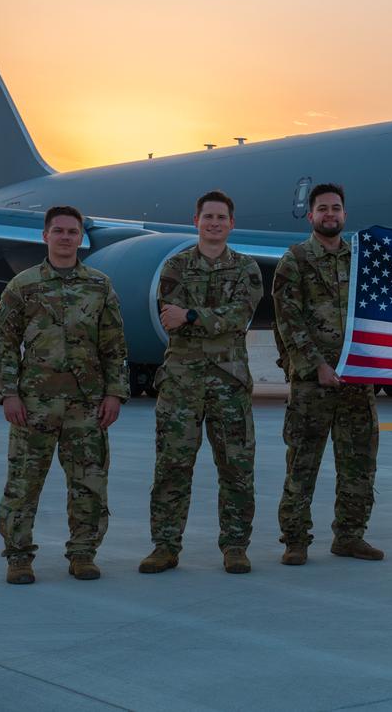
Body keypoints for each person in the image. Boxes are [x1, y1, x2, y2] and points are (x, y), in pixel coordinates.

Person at [0, 205, 128, 584]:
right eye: (59, 231)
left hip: (87, 406)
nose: (66, 237)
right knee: (23, 483)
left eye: (73, 231)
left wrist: (115, 394)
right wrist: (8, 394)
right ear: (45, 236)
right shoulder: (23, 285)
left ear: (81, 237)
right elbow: (4, 344)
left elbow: (114, 347)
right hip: (33, 405)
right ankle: (18, 556)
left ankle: (83, 553)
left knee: (89, 484)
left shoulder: (99, 286)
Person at [139, 190, 263, 575]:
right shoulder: (175, 266)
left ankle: (236, 546)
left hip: (229, 384)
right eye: (207, 217)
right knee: (172, 467)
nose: (214, 223)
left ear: (231, 223)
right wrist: (206, 318)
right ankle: (165, 546)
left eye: (221, 217)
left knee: (236, 468)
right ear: (196, 221)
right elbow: (168, 316)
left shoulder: (247, 268)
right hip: (182, 385)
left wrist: (192, 315)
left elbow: (239, 315)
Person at [272, 182, 383, 566]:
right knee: (303, 462)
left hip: (356, 381)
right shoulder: (296, 260)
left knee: (359, 463)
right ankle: (296, 540)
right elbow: (288, 320)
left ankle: (350, 536)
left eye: (336, 208)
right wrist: (316, 365)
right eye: (323, 209)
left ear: (345, 215)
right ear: (311, 215)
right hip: (311, 383)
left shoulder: (362, 261)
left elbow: (377, 315)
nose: (330, 214)